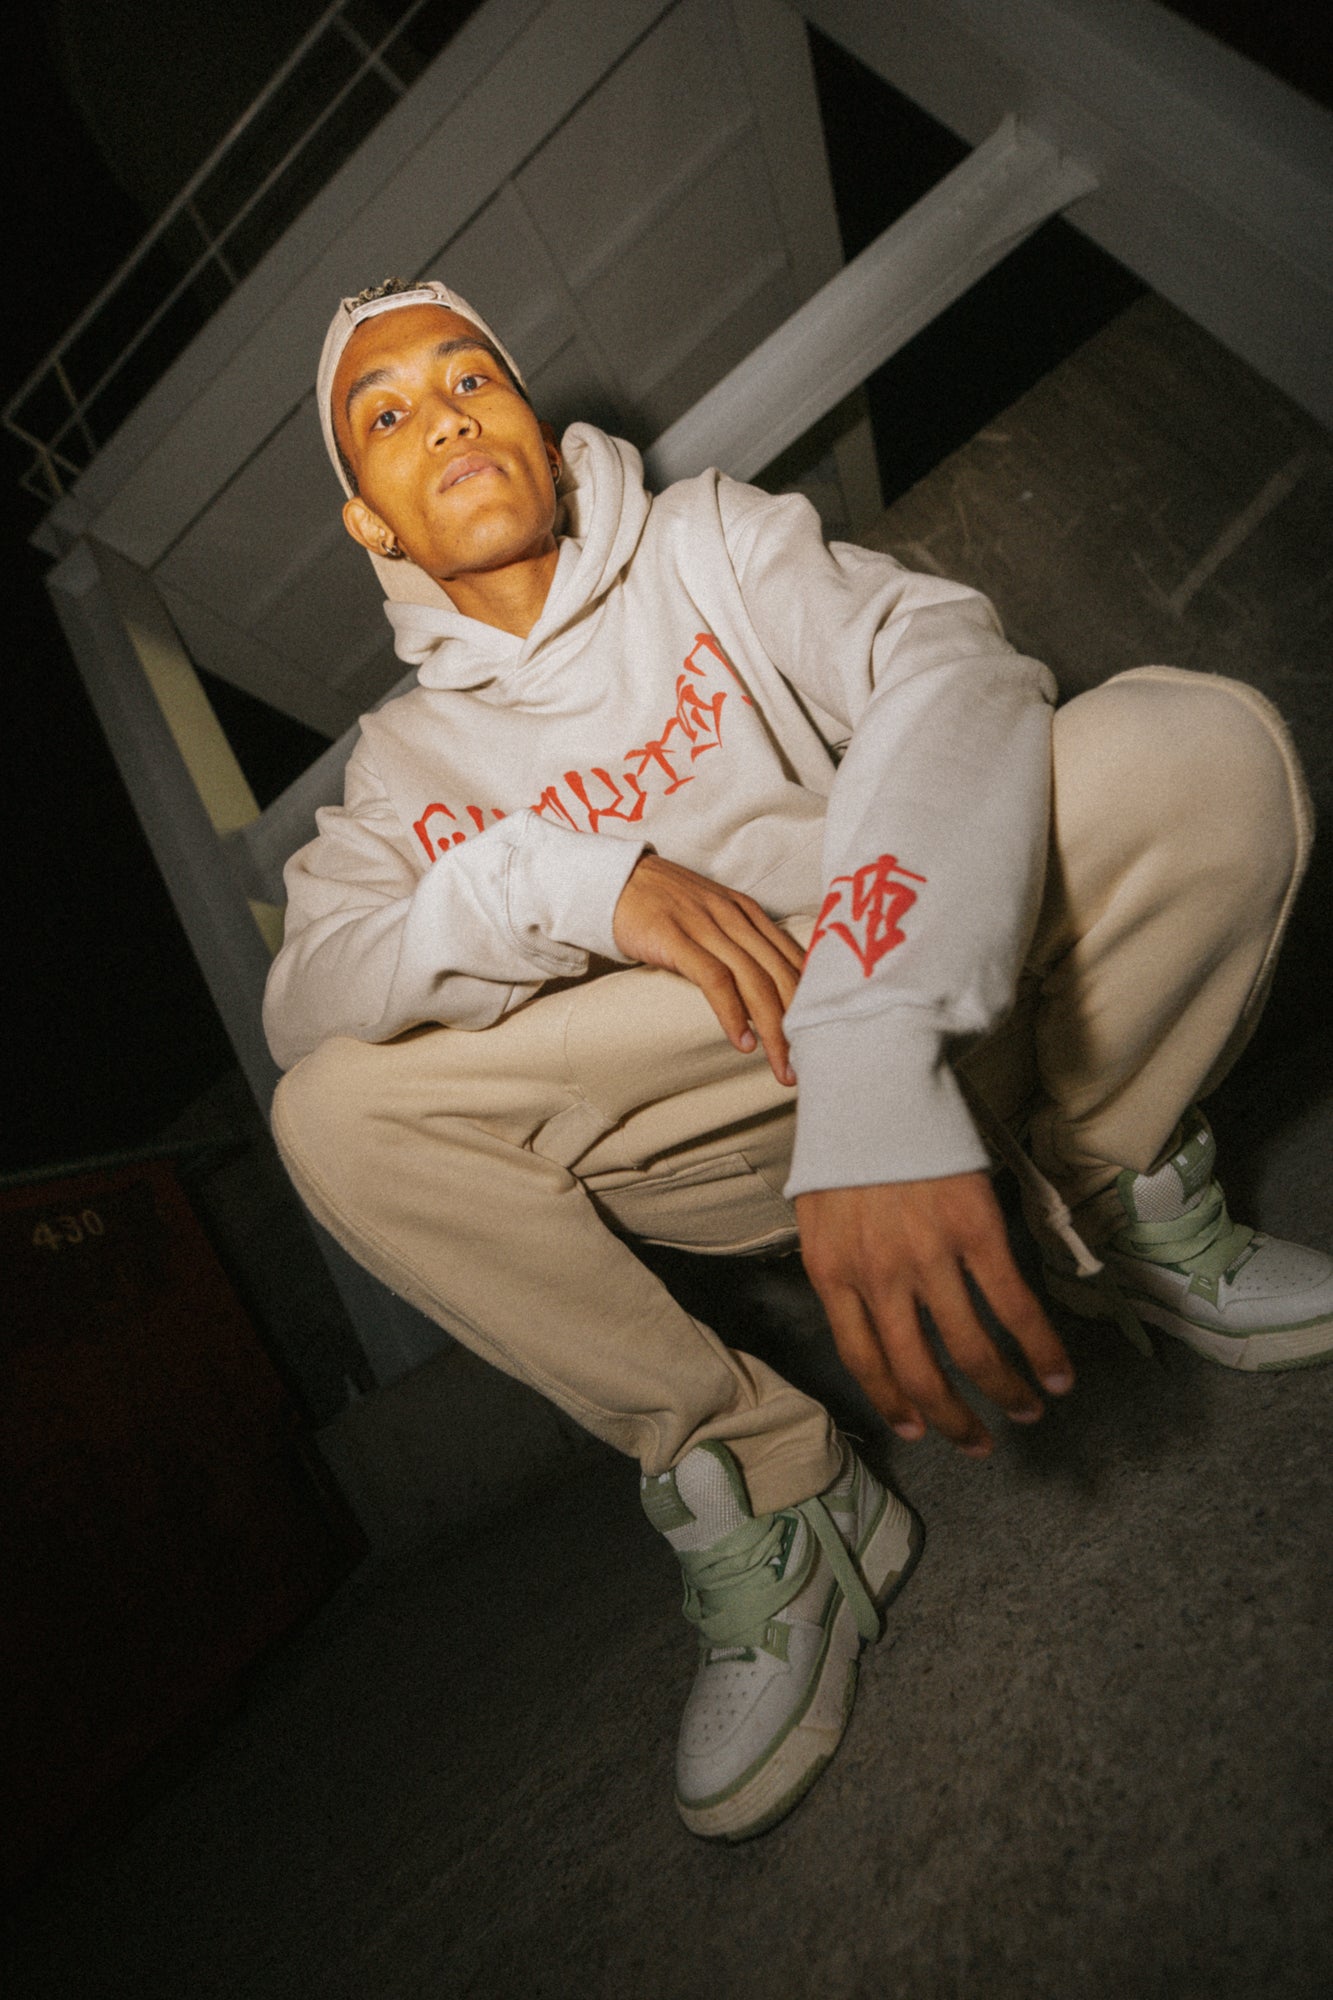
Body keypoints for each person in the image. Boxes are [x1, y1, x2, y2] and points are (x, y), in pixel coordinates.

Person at [264, 277, 1329, 1842]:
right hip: (703, 1121)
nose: (447, 417)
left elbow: (945, 659)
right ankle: (762, 1486)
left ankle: (1113, 1200)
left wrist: (875, 1034)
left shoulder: (706, 538)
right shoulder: (397, 772)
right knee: (333, 1113)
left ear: (542, 434)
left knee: (1190, 745)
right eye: (388, 413)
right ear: (369, 522)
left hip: (920, 997)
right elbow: (305, 998)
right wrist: (577, 884)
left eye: (470, 377)